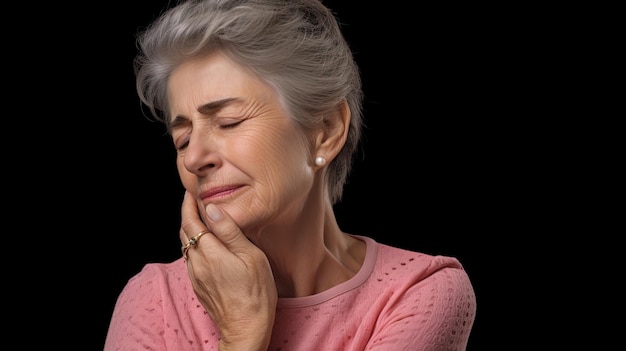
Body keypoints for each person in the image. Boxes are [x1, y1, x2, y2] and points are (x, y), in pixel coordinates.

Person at [104, 0, 477, 350]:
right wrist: (240, 335)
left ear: (325, 131)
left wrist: (244, 330)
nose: (194, 158)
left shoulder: (418, 290)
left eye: (228, 122)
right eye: (182, 139)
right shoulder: (153, 299)